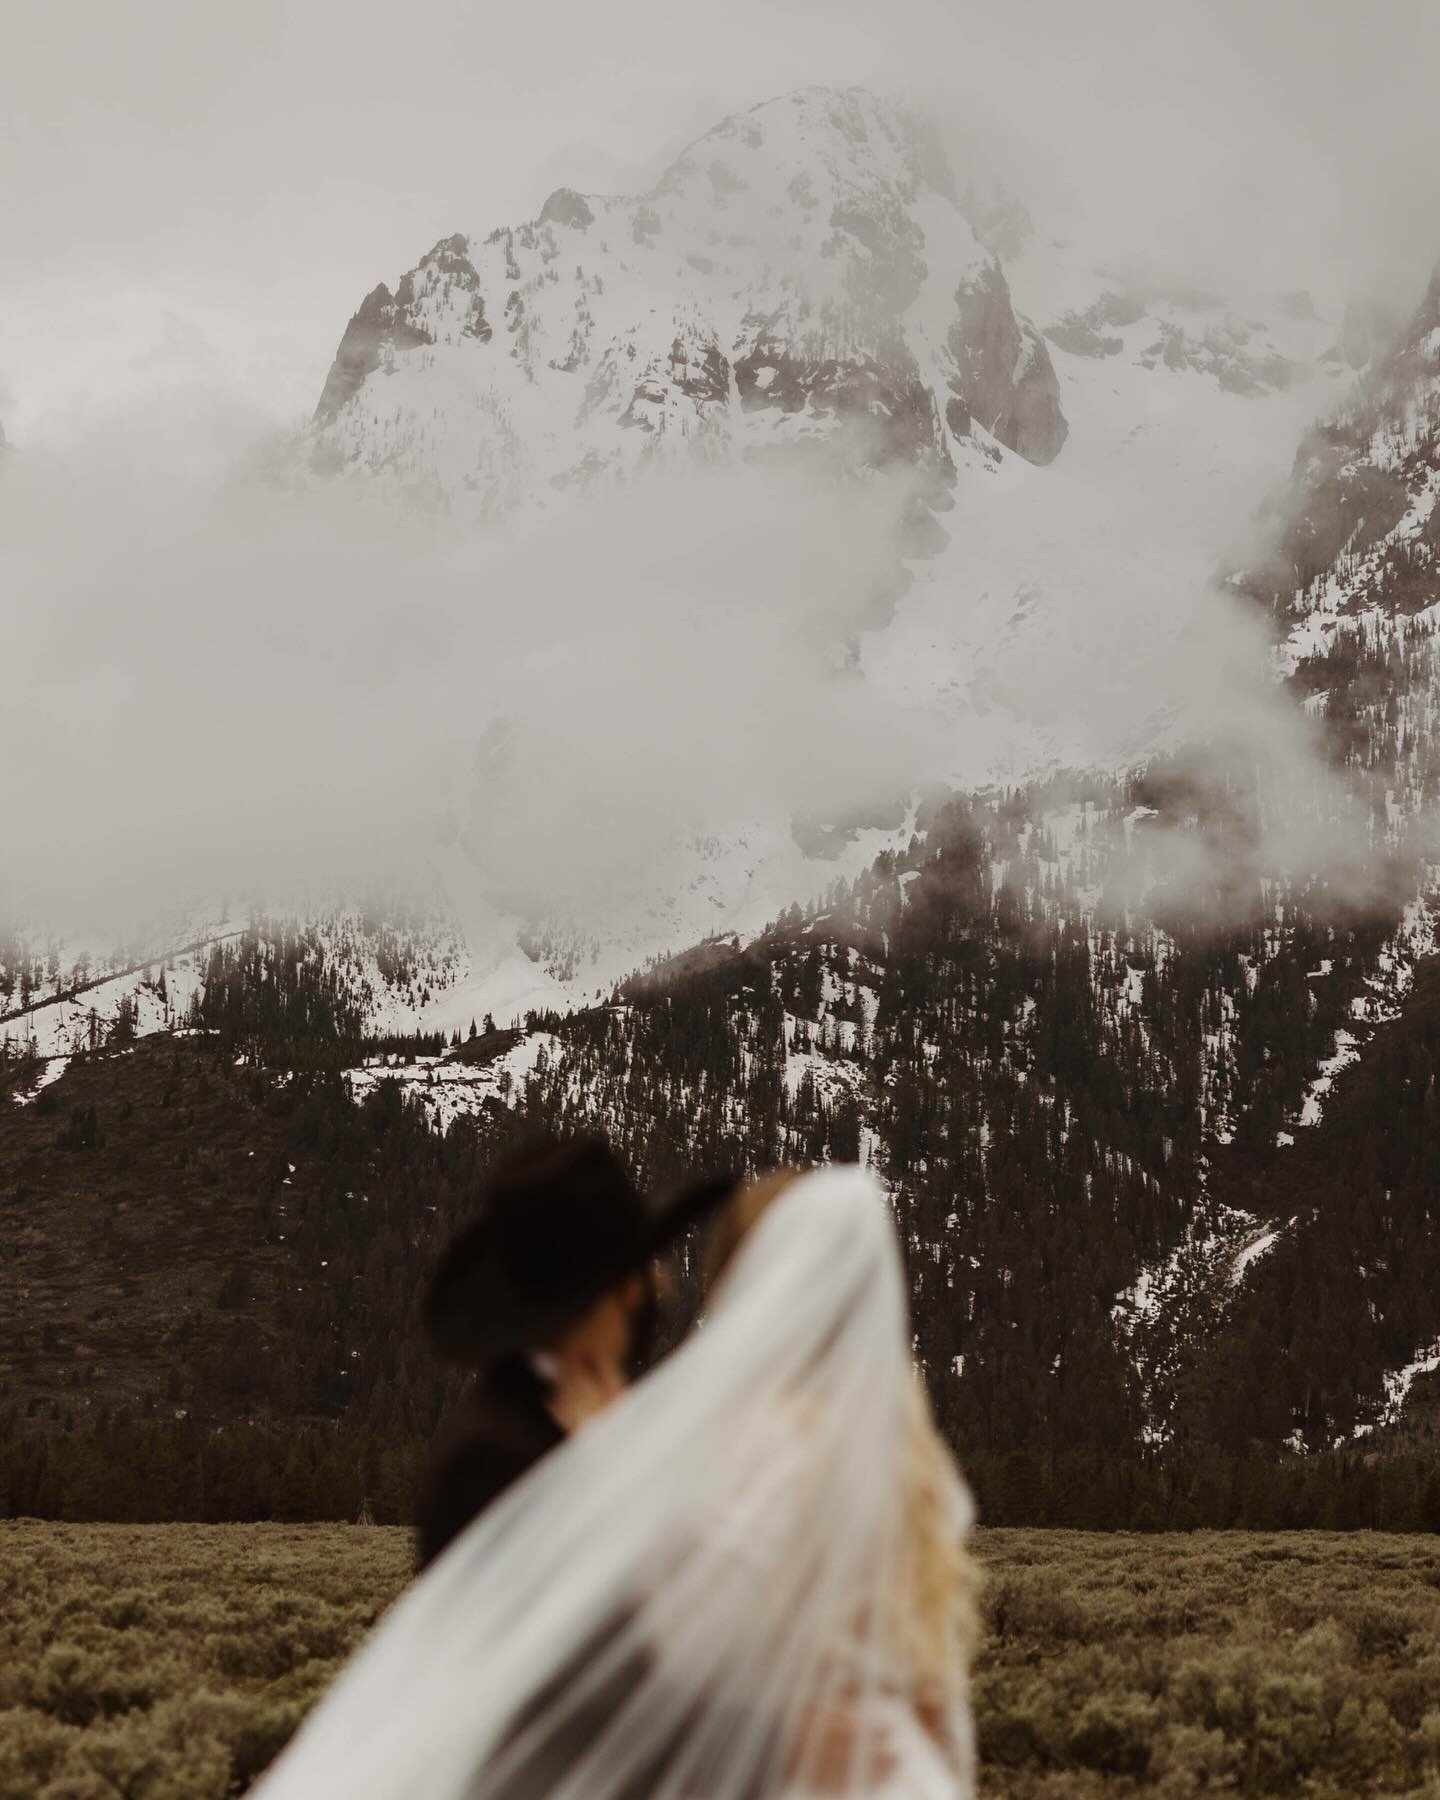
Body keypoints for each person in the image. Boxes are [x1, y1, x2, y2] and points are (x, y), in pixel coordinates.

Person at [253, 1163, 979, 1800]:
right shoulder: (900, 1454)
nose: (653, 1293)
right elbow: (559, 1686)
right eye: (640, 1276)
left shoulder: (730, 1442)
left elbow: (664, 1640)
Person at [416, 1135, 732, 1567]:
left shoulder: (576, 1406)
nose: (646, 1303)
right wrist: (612, 1467)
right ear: (608, 1297)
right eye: (636, 1286)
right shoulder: (485, 1460)